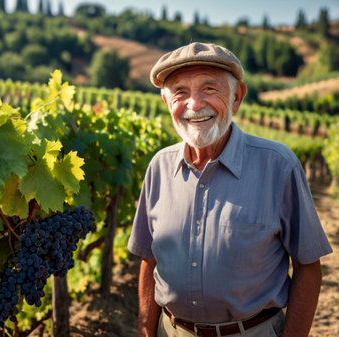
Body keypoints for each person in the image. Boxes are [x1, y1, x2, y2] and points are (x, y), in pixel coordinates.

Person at [127, 42, 333, 337]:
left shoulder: (278, 166)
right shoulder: (159, 167)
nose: (194, 104)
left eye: (210, 89)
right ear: (166, 102)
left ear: (237, 97)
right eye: (180, 92)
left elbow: (309, 268)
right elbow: (149, 260)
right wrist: (146, 331)